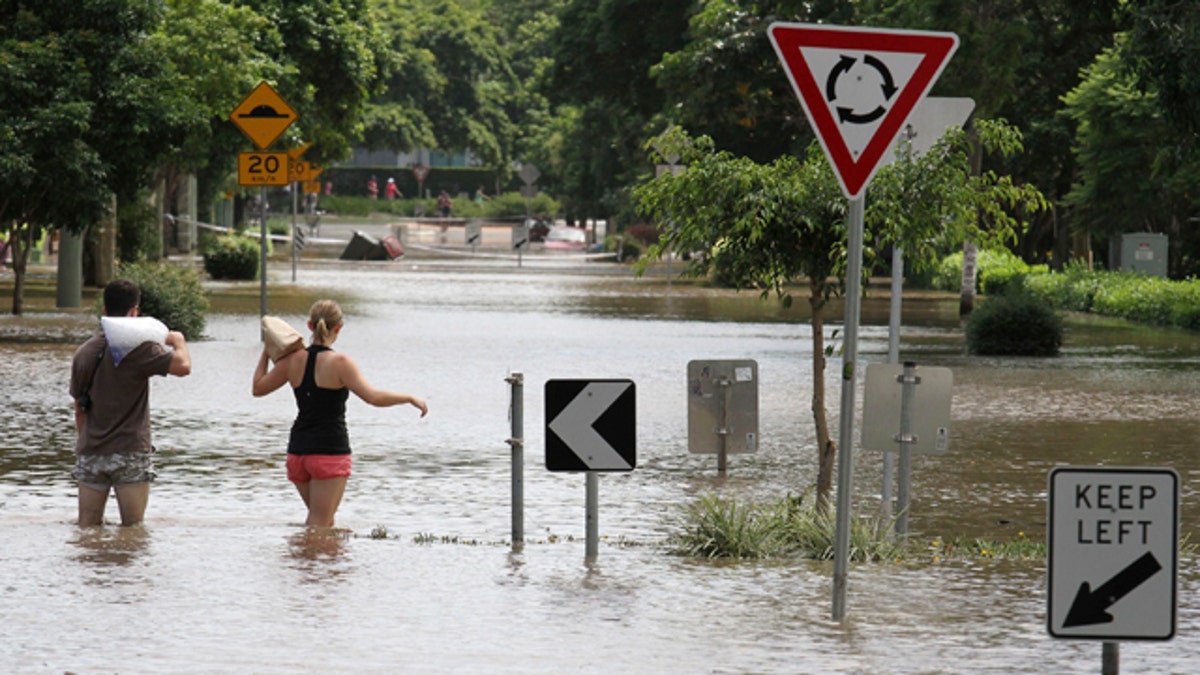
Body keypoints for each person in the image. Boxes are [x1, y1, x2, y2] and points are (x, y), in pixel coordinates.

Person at [252, 300, 428, 528]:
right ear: (339, 327)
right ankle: (307, 563)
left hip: (298, 453)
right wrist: (409, 398)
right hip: (329, 451)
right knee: (320, 524)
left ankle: (311, 564)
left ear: (309, 325)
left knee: (322, 521)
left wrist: (268, 350)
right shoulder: (340, 363)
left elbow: (258, 388)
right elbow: (372, 397)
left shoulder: (291, 361)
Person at [69, 279, 192, 527]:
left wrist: (85, 444)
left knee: (87, 528)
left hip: (92, 450)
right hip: (131, 452)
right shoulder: (141, 350)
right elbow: (183, 367)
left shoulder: (85, 352)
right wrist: (178, 340)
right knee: (133, 531)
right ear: (135, 311)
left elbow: (79, 409)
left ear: (105, 311)